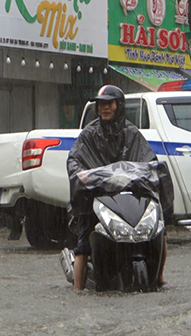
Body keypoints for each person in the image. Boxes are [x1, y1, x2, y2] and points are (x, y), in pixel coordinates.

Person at [61, 85, 171, 290]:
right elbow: (74, 159)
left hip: (130, 195)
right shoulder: (89, 134)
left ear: (118, 105)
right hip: (98, 195)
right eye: (102, 104)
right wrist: (84, 175)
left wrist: (151, 171)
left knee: (161, 231)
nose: (105, 108)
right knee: (84, 240)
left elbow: (148, 159)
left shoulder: (131, 133)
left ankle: (161, 276)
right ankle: (78, 288)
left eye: (109, 104)